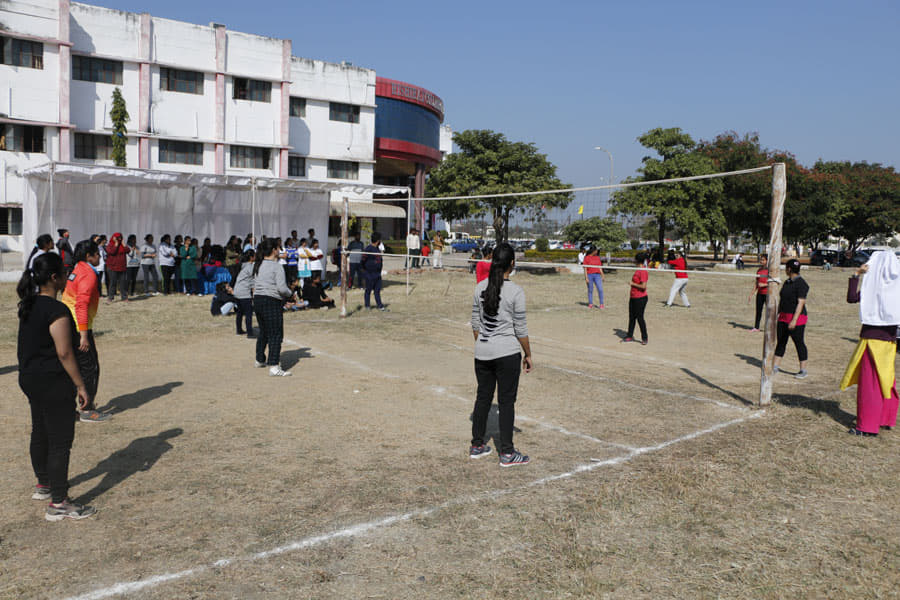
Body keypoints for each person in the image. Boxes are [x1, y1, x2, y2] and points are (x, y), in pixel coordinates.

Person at [17, 252, 97, 520]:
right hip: (52, 381)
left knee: (40, 431)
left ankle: (44, 485)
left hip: (31, 379)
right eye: (64, 272)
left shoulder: (28, 304)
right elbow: (65, 353)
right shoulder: (56, 310)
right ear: (54, 278)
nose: (67, 276)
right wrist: (81, 386)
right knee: (60, 441)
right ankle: (59, 503)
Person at [469, 242, 532, 466]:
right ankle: (507, 453)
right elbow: (521, 329)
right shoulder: (515, 291)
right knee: (506, 402)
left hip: (482, 353)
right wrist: (528, 354)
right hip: (507, 354)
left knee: (483, 398)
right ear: (512, 264)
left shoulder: (479, 288)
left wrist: (486, 344)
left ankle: (477, 445)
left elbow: (475, 324)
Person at [840, 253, 900, 436]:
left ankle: (867, 426)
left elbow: (851, 297)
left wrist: (856, 275)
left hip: (873, 341)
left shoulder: (871, 290)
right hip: (889, 341)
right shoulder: (896, 289)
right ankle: (885, 418)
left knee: (870, 384)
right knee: (886, 379)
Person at [61, 240, 110, 423]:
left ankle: (71, 409)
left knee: (73, 368)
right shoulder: (88, 274)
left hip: (69, 324)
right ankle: (87, 410)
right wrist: (83, 335)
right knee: (90, 368)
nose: (99, 256)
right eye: (96, 253)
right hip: (78, 326)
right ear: (88, 256)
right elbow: (81, 304)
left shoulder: (77, 270)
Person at [252, 238, 296, 376]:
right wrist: (291, 294)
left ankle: (259, 359)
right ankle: (274, 366)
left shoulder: (258, 264)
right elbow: (282, 289)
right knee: (276, 334)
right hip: (271, 301)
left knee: (264, 332)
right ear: (273, 250)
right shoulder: (277, 266)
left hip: (258, 301)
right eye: (278, 248)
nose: (280, 251)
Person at [773, 258, 809, 379]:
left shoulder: (802, 284)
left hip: (797, 319)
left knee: (799, 343)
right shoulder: (787, 282)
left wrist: (794, 320)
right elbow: (782, 300)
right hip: (783, 317)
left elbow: (801, 303)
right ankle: (775, 366)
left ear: (789, 269)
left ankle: (803, 370)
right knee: (781, 342)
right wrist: (777, 314)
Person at [624, 252, 649, 344]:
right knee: (632, 317)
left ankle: (644, 338)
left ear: (637, 260)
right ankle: (629, 335)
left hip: (640, 298)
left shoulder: (643, 271)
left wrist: (632, 284)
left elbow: (643, 286)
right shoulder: (638, 270)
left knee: (640, 318)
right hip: (633, 297)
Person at [232, 249, 256, 337]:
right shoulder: (251, 267)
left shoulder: (242, 265)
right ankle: (250, 333)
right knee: (248, 313)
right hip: (244, 292)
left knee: (240, 312)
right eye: (254, 255)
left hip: (237, 290)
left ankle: (239, 330)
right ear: (251, 257)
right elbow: (253, 281)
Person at [360, 232, 386, 311]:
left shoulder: (377, 249)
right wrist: (364, 272)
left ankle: (380, 306)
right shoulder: (368, 249)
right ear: (378, 241)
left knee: (377, 291)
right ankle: (367, 306)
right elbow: (362, 261)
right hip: (369, 274)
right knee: (368, 290)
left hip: (377, 274)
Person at [105, 233, 130, 302]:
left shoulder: (122, 245)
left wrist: (123, 243)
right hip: (112, 267)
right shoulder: (110, 245)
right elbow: (112, 252)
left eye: (120, 237)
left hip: (122, 267)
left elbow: (128, 250)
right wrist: (116, 243)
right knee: (113, 283)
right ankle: (110, 297)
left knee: (123, 283)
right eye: (117, 238)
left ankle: (124, 297)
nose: (119, 239)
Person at [749, 254, 769, 332]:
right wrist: (752, 293)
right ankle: (756, 327)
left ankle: (769, 328)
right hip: (760, 294)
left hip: (767, 294)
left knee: (769, 312)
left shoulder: (770, 271)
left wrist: (765, 284)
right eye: (761, 259)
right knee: (758, 311)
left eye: (763, 260)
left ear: (767, 261)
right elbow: (756, 283)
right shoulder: (759, 270)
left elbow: (773, 283)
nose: (761, 261)